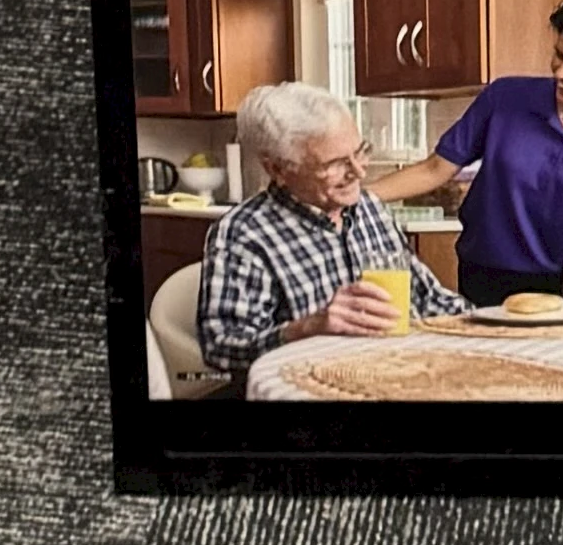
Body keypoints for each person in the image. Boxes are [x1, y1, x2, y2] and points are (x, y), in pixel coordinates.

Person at [375, 0, 563, 310]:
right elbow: (435, 169)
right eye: (559, 55)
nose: (562, 72)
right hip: (486, 278)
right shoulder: (505, 98)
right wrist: (356, 196)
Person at [196, 88, 465, 373]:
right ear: (278, 169)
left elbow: (429, 298)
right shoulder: (245, 232)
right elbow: (221, 347)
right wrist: (308, 327)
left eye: (360, 152)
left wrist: (499, 323)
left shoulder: (369, 207)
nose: (359, 173)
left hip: (399, 370)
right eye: (336, 164)